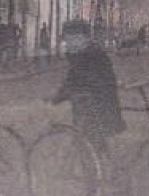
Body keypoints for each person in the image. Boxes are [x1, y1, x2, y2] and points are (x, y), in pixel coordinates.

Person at [50, 20, 125, 157]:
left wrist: (61, 96)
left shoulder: (87, 55)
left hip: (94, 105)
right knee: (94, 142)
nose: (68, 43)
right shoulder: (86, 52)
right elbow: (73, 78)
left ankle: (94, 174)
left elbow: (80, 80)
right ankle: (104, 169)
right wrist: (59, 96)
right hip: (95, 105)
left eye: (72, 38)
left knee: (87, 144)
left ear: (84, 38)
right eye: (67, 39)